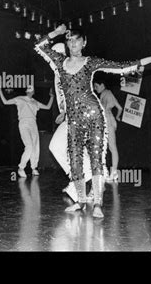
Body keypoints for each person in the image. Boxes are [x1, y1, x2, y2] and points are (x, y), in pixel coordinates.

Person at [35, 25, 151, 218]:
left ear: (84, 43)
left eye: (77, 40)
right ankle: (80, 201)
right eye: (70, 40)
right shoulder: (59, 61)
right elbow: (39, 46)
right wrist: (56, 33)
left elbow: (121, 67)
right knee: (75, 159)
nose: (73, 44)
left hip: (93, 114)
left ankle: (98, 203)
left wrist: (149, 60)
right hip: (74, 118)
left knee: (96, 157)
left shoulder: (90, 62)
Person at [48, 42, 93, 203]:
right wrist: (63, 112)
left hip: (78, 115)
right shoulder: (58, 72)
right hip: (72, 116)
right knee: (63, 148)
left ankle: (85, 179)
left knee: (60, 147)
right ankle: (81, 182)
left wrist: (67, 112)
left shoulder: (68, 69)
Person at [0, 84, 54, 178]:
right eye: (28, 90)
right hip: (24, 123)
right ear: (27, 91)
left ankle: (34, 167)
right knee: (29, 146)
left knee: (35, 146)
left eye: (31, 90)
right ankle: (21, 168)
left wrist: (52, 97)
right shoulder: (20, 99)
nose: (30, 91)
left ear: (33, 92)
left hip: (33, 124)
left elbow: (48, 107)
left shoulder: (35, 102)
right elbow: (5, 102)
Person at [93, 74, 123, 182]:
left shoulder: (106, 93)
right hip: (109, 120)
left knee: (112, 147)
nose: (96, 89)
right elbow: (120, 108)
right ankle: (111, 173)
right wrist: (118, 117)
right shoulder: (108, 93)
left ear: (102, 85)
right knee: (109, 147)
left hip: (107, 120)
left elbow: (104, 107)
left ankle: (113, 173)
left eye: (96, 86)